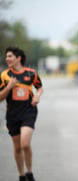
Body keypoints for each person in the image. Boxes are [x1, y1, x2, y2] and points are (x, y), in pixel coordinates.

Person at [0, 46, 43, 181]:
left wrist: (37, 96)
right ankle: (21, 175)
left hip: (29, 111)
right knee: (17, 147)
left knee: (25, 144)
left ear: (18, 58)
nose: (7, 59)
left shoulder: (31, 73)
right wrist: (9, 87)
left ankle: (29, 172)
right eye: (6, 56)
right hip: (12, 114)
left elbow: (39, 87)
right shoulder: (5, 75)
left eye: (10, 56)